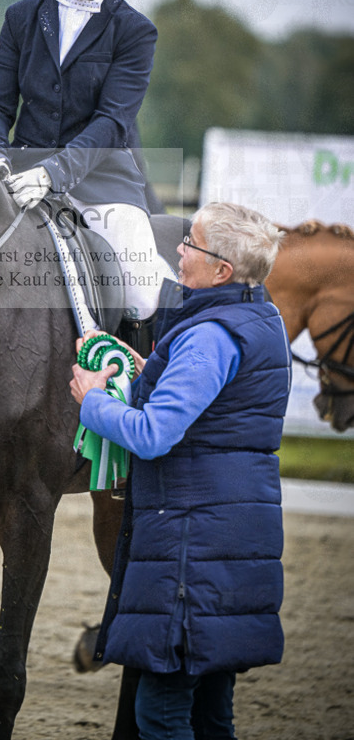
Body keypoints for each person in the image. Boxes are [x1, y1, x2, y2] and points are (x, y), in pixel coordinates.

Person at [69, 201, 291, 740]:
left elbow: (153, 435)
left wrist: (93, 400)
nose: (178, 250)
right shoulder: (259, 318)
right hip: (232, 543)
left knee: (161, 714)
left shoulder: (208, 336)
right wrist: (148, 374)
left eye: (191, 244)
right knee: (212, 716)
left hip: (195, 547)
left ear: (222, 271)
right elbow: (214, 405)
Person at [0, 0, 169, 332]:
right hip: (19, 170)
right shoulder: (21, 17)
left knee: (142, 289)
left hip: (101, 178)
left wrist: (53, 175)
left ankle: (136, 389)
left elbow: (112, 123)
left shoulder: (135, 32)